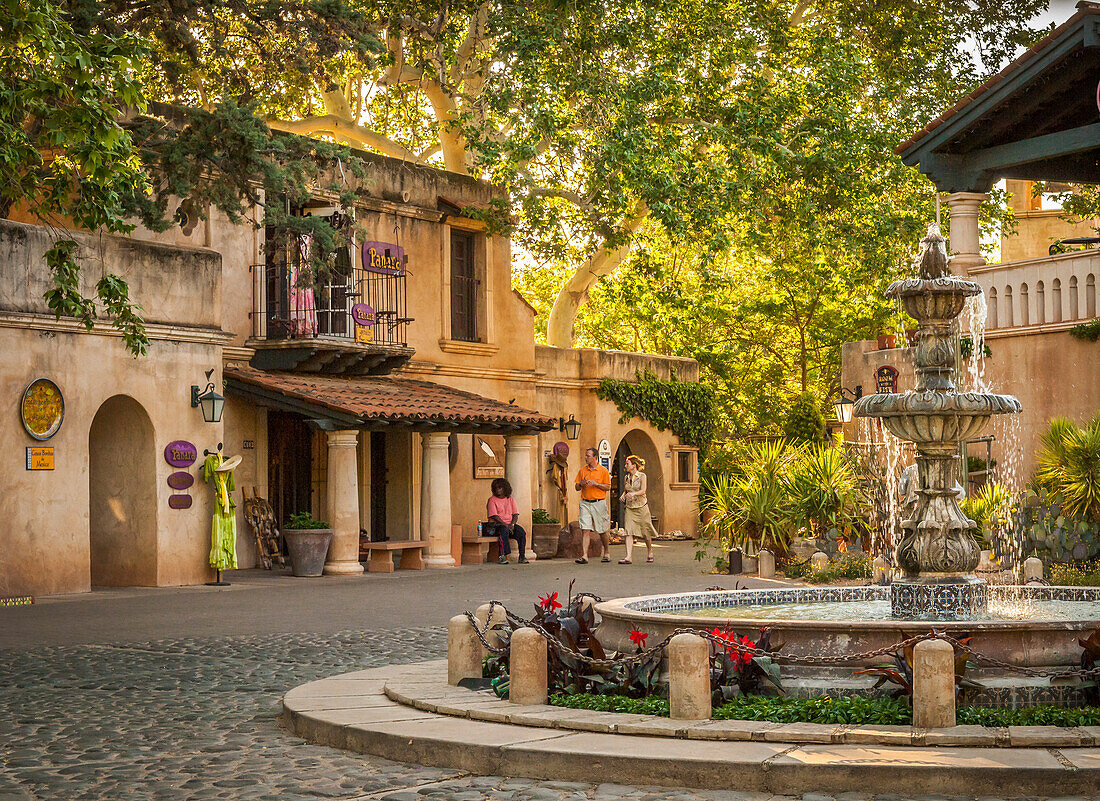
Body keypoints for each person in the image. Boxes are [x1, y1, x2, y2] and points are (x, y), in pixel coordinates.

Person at [574, 447, 612, 564]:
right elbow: (576, 487)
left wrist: (596, 484)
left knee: (601, 530)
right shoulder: (582, 471)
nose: (586, 458)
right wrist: (581, 484)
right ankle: (584, 556)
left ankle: (606, 552)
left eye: (588, 456)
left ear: (595, 457)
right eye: (585, 455)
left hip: (598, 502)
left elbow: (608, 487)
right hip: (585, 502)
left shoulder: (603, 471)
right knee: (585, 529)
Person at [619, 455, 658, 564]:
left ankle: (650, 551)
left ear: (634, 465)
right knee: (629, 531)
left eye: (627, 463)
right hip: (630, 507)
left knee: (645, 531)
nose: (625, 465)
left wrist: (633, 494)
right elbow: (627, 490)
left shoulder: (642, 476)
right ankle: (628, 557)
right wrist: (623, 495)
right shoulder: (626, 477)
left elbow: (643, 490)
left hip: (641, 507)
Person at [486, 477, 529, 564]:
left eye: (500, 487)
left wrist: (512, 525)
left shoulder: (510, 499)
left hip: (509, 525)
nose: (498, 490)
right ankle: (502, 556)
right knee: (504, 531)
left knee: (521, 532)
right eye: (496, 488)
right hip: (495, 526)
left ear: (505, 488)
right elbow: (494, 516)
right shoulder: (492, 500)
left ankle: (522, 556)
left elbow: (515, 514)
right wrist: (506, 525)